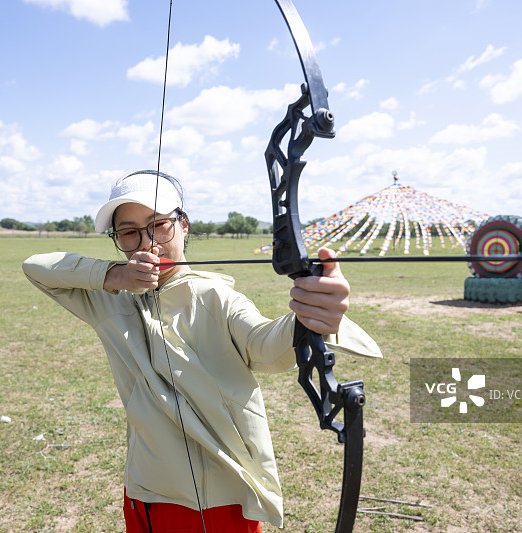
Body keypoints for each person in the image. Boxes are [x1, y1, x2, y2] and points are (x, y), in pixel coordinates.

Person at [22, 170, 382, 532]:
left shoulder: (215, 296)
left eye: (159, 224)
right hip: (147, 491)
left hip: (220, 500)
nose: (147, 244)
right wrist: (114, 276)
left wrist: (309, 318)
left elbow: (263, 344)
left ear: (184, 225)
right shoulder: (110, 300)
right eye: (129, 232)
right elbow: (35, 267)